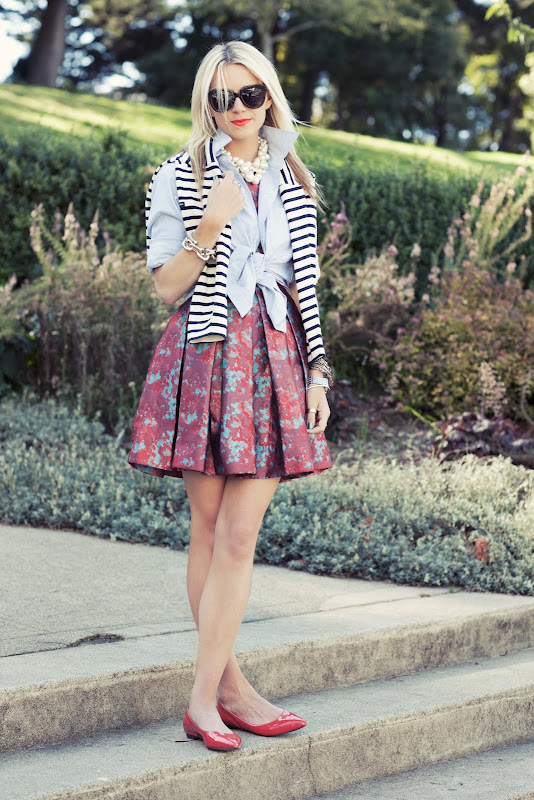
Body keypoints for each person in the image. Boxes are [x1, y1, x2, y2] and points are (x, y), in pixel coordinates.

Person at [127, 40, 334, 751]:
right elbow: (166, 287)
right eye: (221, 98)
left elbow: (305, 289)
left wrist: (319, 372)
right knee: (210, 528)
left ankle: (206, 699)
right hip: (208, 354)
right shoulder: (178, 175)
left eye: (250, 94)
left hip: (275, 358)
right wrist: (210, 226)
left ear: (269, 96)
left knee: (241, 534)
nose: (237, 108)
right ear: (205, 104)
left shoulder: (293, 178)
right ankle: (229, 693)